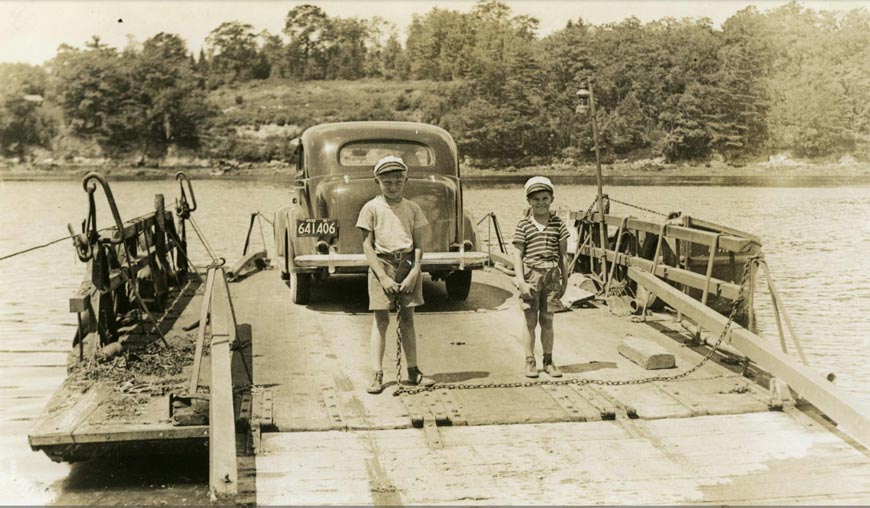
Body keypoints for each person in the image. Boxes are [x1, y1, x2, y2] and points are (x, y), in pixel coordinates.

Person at [356, 155, 436, 394]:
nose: (393, 186)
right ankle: (377, 373)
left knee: (408, 319)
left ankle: (413, 370)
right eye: (387, 181)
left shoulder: (413, 208)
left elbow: (419, 245)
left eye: (398, 181)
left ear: (405, 180)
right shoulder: (371, 208)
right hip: (382, 264)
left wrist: (414, 272)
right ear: (377, 181)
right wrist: (383, 277)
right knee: (381, 320)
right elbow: (367, 246)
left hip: (408, 263)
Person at [512, 176, 570, 378]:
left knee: (547, 320)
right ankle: (529, 361)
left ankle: (548, 360)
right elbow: (518, 255)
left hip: (552, 276)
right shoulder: (523, 225)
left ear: (552, 199)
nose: (541, 203)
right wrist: (521, 281)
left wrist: (565, 281)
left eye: (545, 198)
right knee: (530, 321)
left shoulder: (558, 224)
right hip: (531, 275)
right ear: (529, 201)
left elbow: (563, 255)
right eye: (536, 199)